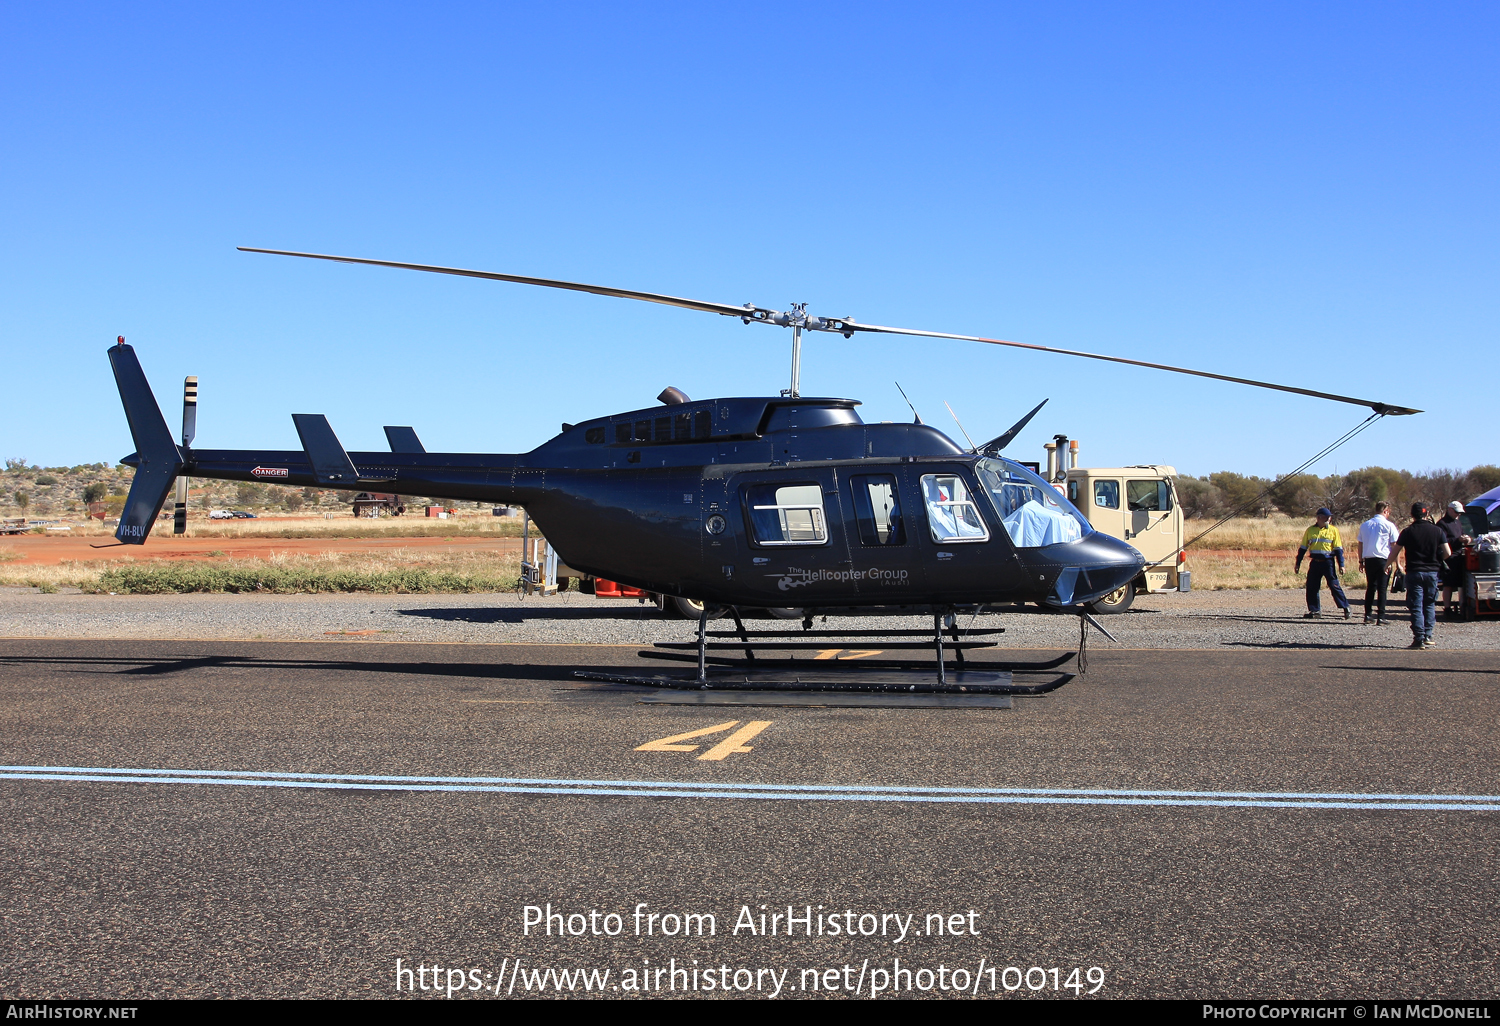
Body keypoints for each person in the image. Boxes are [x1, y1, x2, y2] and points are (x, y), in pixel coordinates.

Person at [1387, 501, 1452, 650]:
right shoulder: (1437, 531)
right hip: (1432, 572)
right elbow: (1448, 553)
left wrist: (1387, 565)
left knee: (1416, 605)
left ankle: (1419, 638)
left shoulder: (1407, 532)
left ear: (1412, 515)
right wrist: (1438, 560)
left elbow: (1395, 551)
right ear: (1427, 514)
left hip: (1414, 572)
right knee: (1429, 604)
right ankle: (1428, 635)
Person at [1295, 507, 1350, 619]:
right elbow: (1303, 548)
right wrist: (1298, 563)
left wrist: (1341, 565)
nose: (1328, 519)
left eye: (1329, 517)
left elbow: (1338, 549)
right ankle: (1315, 610)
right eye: (1326, 517)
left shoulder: (1333, 530)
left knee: (1334, 585)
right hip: (1315, 562)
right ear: (1319, 517)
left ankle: (1345, 607)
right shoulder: (1310, 530)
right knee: (1312, 587)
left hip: (1328, 562)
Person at [1354, 501, 1399, 625]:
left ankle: (1368, 614)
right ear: (1385, 511)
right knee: (1382, 589)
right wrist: (1396, 563)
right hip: (1383, 559)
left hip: (1369, 559)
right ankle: (1381, 616)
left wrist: (1361, 561)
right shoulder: (1389, 525)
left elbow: (1360, 543)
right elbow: (1394, 545)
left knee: (1371, 587)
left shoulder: (1365, 525)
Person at [1435, 500, 1471, 617]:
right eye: (1456, 512)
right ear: (1450, 510)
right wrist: (1457, 541)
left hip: (1460, 555)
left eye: (1460, 513)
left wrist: (1466, 539)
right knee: (1448, 584)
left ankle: (1462, 605)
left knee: (1461, 583)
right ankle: (1447, 607)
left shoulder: (1458, 522)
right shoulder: (1442, 524)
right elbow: (1442, 542)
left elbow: (1461, 534)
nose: (1458, 515)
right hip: (1449, 557)